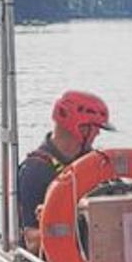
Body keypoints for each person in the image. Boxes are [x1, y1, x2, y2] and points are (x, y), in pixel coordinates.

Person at [16, 90, 111, 253]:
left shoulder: (94, 161)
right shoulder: (34, 171)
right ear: (80, 128)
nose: (98, 133)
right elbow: (31, 240)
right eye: (95, 128)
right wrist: (84, 225)